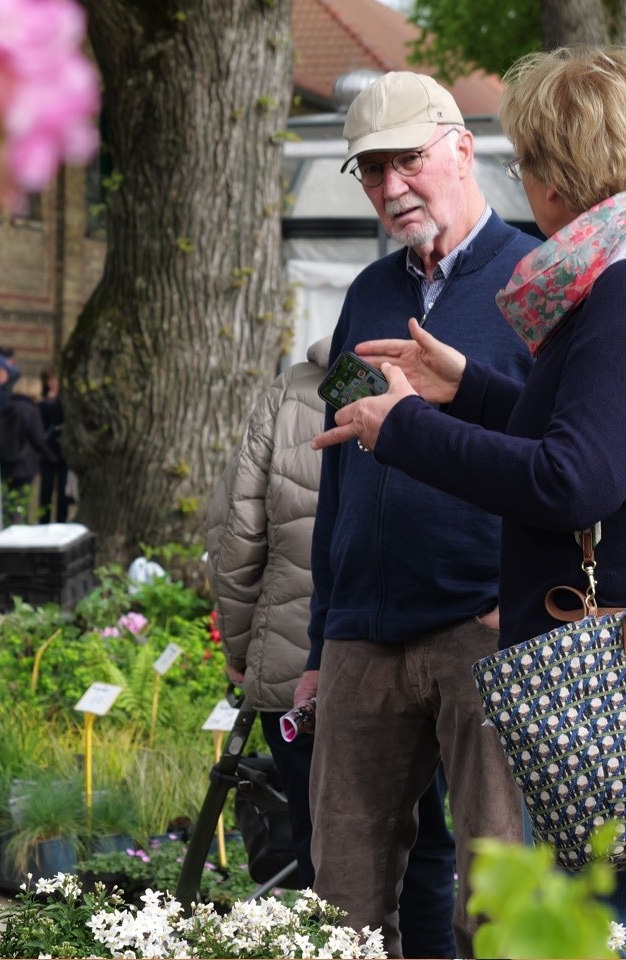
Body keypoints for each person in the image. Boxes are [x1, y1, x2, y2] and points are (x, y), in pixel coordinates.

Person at [316, 47, 626, 957]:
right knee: (618, 915)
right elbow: (595, 437)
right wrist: (470, 388)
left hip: (615, 658)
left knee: (603, 927)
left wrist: (404, 429)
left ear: (561, 170)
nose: (526, 182)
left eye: (526, 161)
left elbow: (573, 478)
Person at [294, 70, 536, 958]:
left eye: (409, 161)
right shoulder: (364, 293)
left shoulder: (537, 282)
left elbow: (572, 463)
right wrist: (325, 641)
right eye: (371, 169)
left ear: (464, 148)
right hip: (364, 639)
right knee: (342, 904)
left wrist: (525, 599)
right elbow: (343, 478)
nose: (391, 186)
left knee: (497, 907)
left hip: (485, 631)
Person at [206, 337, 460, 960]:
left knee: (327, 853)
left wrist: (241, 651)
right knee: (426, 847)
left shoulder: (291, 389)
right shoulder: (448, 380)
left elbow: (236, 534)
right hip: (423, 649)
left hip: (300, 665)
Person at [0, 375, 57, 504]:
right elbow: (38, 439)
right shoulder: (30, 411)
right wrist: (52, 457)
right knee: (21, 502)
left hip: (6, 461)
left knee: (7, 501)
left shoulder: (6, 407)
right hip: (24, 464)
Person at [37, 367, 71, 523]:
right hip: (48, 450)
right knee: (46, 489)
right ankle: (43, 520)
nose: (53, 383)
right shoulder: (42, 401)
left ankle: (61, 520)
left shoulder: (66, 400)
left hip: (63, 449)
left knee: (63, 490)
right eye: (49, 380)